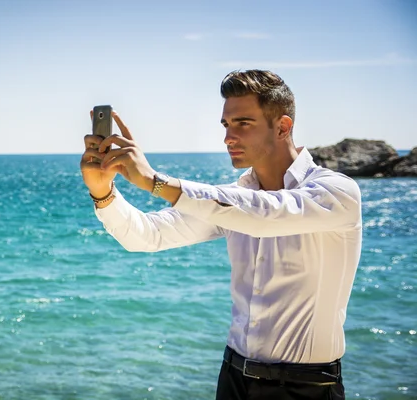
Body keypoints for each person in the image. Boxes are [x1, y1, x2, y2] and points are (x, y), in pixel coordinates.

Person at [79, 69, 361, 400]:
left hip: (306, 388)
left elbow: (264, 215)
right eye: (227, 125)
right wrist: (103, 193)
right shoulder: (228, 201)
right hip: (233, 380)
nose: (228, 137)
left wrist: (154, 181)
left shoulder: (335, 192)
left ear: (283, 127)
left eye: (243, 123)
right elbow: (147, 235)